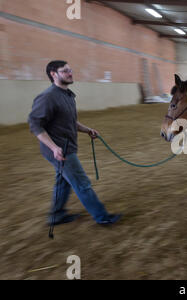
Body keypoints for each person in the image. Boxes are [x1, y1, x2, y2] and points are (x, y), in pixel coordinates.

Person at [28, 60, 122, 226]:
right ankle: (103, 217)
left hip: (67, 146)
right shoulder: (48, 97)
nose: (70, 73)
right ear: (53, 74)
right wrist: (54, 147)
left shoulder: (68, 95)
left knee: (63, 181)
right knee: (82, 183)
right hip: (59, 151)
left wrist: (88, 130)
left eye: (70, 70)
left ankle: (56, 215)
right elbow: (35, 125)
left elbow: (70, 122)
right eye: (65, 71)